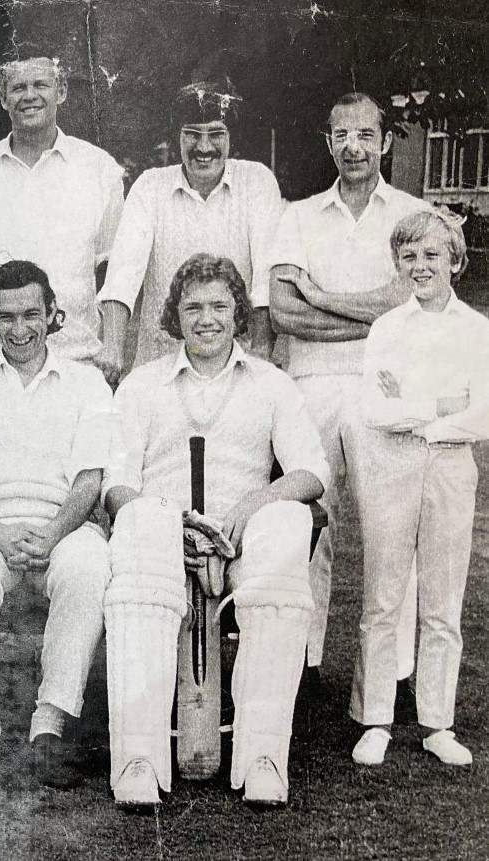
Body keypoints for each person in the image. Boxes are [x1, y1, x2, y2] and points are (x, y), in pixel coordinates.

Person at [104, 253, 329, 809]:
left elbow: (312, 470)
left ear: (239, 314)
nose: (207, 318)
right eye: (193, 306)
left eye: (220, 306)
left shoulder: (272, 384)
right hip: (161, 541)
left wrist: (260, 500)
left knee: (288, 522)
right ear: (174, 315)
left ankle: (262, 757)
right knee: (141, 524)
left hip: (242, 544)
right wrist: (167, 525)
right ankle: (138, 760)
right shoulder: (141, 384)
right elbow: (117, 484)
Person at [269, 92, 429, 683]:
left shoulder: (412, 214)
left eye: (365, 135)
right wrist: (364, 316)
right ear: (328, 142)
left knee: (391, 527)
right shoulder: (300, 215)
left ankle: (395, 669)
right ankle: (300, 660)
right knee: (308, 524)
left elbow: (405, 298)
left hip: (386, 387)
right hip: (309, 386)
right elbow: (283, 311)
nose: (353, 147)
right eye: (341, 135)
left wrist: (321, 294)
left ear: (386, 141)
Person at [0, 260, 112, 789]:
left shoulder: (87, 381)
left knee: (88, 567)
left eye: (31, 315)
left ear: (53, 314)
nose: (19, 329)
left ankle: (50, 726)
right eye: (6, 316)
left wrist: (53, 534)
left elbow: (90, 479)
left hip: (64, 526)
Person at [349, 208, 487, 768]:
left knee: (443, 598)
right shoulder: (387, 328)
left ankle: (436, 723)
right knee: (383, 595)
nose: (421, 266)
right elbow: (376, 410)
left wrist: (422, 411)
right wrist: (440, 405)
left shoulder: (477, 330)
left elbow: (481, 416)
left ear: (455, 260)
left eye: (432, 255)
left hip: (452, 467)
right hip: (393, 465)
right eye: (409, 256)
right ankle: (375, 718)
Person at [99, 79, 281, 384]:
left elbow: (265, 278)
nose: (204, 147)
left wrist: (261, 350)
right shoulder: (149, 186)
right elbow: (123, 275)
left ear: (231, 137)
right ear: (177, 137)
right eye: (192, 134)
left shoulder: (257, 182)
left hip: (236, 366)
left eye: (216, 134)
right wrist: (113, 350)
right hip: (161, 366)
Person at [0, 51, 124, 368]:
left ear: (61, 91)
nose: (30, 96)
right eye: (18, 88)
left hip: (74, 356)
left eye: (40, 85)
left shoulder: (98, 169)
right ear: (3, 98)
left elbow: (111, 270)